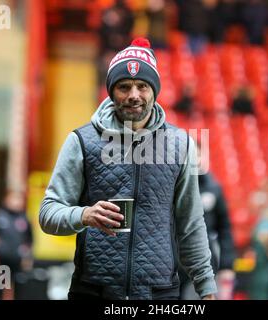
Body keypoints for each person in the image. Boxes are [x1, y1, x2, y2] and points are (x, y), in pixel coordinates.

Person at [39, 38, 217, 300]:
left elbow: (190, 224)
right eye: (124, 87)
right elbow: (48, 213)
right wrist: (84, 215)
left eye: (142, 86)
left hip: (159, 294)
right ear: (111, 92)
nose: (134, 95)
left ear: (154, 91)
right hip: (93, 290)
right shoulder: (80, 141)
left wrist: (207, 288)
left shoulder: (181, 146)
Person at [179, 140, 236, 300]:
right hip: (172, 267)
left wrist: (227, 265)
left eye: (197, 155)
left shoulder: (213, 188)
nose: (194, 160)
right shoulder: (170, 187)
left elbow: (225, 229)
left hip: (202, 264)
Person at [0, 190, 33, 300]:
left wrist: (28, 257)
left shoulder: (25, 218)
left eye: (19, 199)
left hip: (19, 262)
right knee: (2, 289)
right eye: (13, 199)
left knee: (19, 291)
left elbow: (30, 240)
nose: (16, 202)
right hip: (3, 261)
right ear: (6, 199)